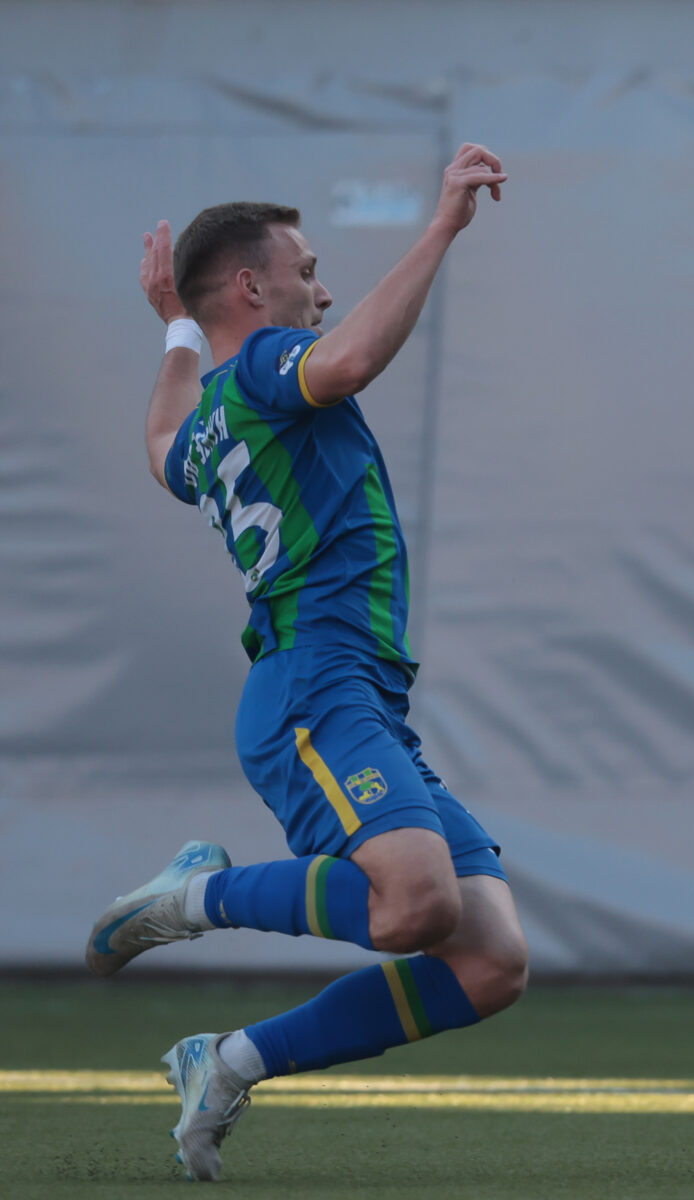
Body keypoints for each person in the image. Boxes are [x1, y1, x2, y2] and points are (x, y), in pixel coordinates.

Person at [87, 144, 527, 1183]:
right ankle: (201, 895)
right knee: (414, 906)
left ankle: (228, 1060)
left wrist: (175, 332)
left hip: (355, 696)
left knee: (490, 960)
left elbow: (160, 446)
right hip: (312, 684)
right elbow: (350, 363)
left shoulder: (214, 417)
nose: (321, 288)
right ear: (253, 286)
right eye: (308, 268)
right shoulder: (275, 369)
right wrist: (441, 229)